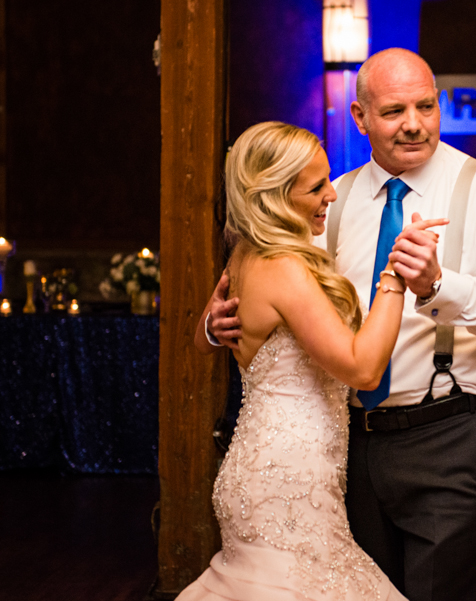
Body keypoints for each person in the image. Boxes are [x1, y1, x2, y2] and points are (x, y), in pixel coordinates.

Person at [200, 48, 476, 601]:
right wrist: (216, 324)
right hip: (349, 455)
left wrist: (442, 287)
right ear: (360, 117)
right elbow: (270, 288)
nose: (414, 124)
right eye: (393, 111)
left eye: (426, 106)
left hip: (450, 440)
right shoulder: (327, 201)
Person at [180, 122, 448, 600]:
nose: (332, 194)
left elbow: (205, 338)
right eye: (316, 186)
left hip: (279, 472)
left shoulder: (245, 253)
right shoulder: (283, 267)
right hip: (284, 486)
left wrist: (208, 328)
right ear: (274, 196)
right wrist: (395, 276)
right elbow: (362, 368)